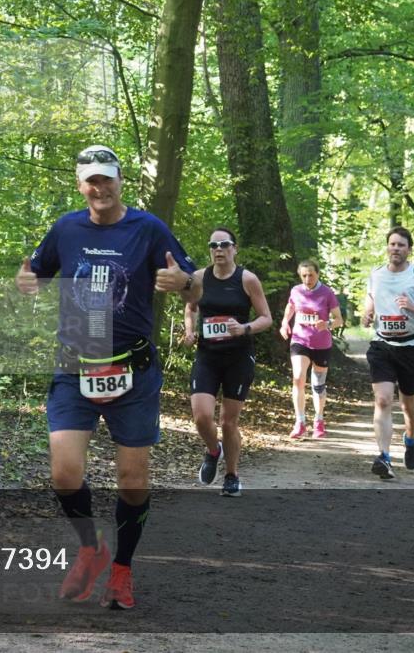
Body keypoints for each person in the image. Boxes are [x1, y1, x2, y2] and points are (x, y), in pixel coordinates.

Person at [15, 144, 198, 610]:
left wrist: (185, 286)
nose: (99, 188)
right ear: (80, 185)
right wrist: (27, 281)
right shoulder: (66, 227)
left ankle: (122, 569)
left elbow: (194, 280)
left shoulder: (147, 228)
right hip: (74, 368)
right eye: (91, 180)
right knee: (64, 475)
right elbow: (34, 271)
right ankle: (91, 549)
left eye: (107, 179)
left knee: (133, 482)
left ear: (120, 181)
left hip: (132, 371)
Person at [182, 227, 272, 497]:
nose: (218, 250)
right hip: (207, 355)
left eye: (224, 245)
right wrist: (189, 330)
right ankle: (213, 450)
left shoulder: (248, 279)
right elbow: (190, 308)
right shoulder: (198, 277)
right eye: (213, 245)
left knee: (229, 422)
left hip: (238, 357)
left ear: (235, 248)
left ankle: (231, 475)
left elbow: (266, 318)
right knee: (201, 416)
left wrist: (243, 328)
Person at [361, 226, 414, 479]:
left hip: (411, 348)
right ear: (387, 247)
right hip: (382, 345)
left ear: (409, 249)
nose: (396, 248)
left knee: (408, 403)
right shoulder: (376, 274)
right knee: (383, 400)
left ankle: (410, 438)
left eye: (401, 245)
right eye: (392, 244)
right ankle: (384, 457)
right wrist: (367, 313)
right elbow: (371, 299)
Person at [279, 259, 343, 439]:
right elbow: (290, 307)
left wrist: (328, 324)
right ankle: (299, 422)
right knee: (298, 377)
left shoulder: (327, 292)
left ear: (318, 274)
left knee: (318, 384)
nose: (307, 279)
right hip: (300, 340)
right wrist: (285, 323)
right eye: (304, 275)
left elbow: (339, 319)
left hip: (321, 344)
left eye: (311, 275)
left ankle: (319, 421)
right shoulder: (296, 291)